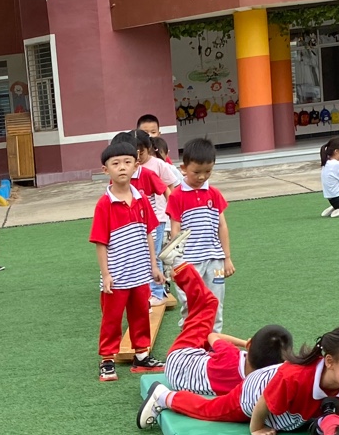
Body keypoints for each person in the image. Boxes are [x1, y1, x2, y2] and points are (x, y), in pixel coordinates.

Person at [90, 135, 163, 381]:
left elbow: (149, 234)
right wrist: (106, 275)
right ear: (105, 170)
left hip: (140, 274)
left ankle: (141, 355)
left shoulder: (141, 199)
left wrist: (154, 267)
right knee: (112, 320)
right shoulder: (104, 204)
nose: (122, 167)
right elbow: (100, 242)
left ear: (136, 166)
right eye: (116, 163)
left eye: (127, 162)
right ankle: (107, 360)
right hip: (117, 277)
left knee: (141, 315)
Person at [137, 320, 292, 426]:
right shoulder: (251, 386)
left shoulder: (230, 353)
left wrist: (244, 343)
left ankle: (183, 276)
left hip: (179, 358)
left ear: (250, 344)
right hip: (182, 378)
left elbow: (212, 336)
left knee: (207, 308)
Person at [248, 326, 339, 435]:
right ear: (330, 362)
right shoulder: (294, 377)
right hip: (256, 389)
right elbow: (264, 400)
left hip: (291, 399)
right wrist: (257, 428)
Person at [163, 136, 233, 330]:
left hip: (215, 260)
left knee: (216, 303)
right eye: (197, 172)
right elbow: (175, 230)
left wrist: (227, 258)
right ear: (183, 168)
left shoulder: (214, 194)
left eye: (208, 171)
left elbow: (222, 226)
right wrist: (176, 264)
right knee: (191, 305)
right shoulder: (177, 195)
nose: (202, 177)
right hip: (189, 262)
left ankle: (213, 342)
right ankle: (189, 342)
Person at [132, 130, 177, 305]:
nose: (138, 157)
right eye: (134, 153)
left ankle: (158, 293)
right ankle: (146, 290)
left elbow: (170, 187)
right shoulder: (129, 167)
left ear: (149, 149)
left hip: (157, 217)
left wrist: (172, 211)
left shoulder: (157, 165)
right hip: (136, 221)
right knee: (141, 255)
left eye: (141, 152)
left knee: (155, 254)